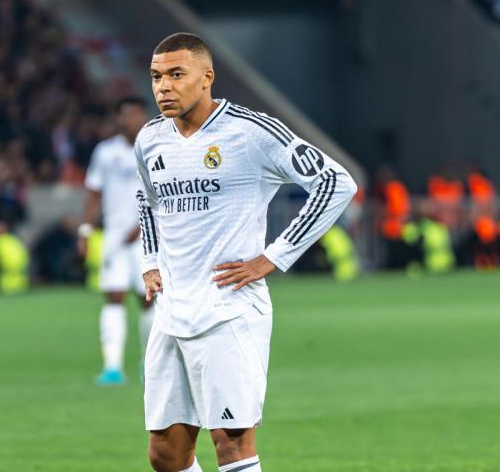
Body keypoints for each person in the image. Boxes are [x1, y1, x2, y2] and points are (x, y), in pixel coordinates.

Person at [135, 33, 357, 472]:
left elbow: (336, 183)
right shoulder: (150, 138)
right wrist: (150, 261)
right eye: (157, 77)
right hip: (173, 310)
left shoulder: (251, 132)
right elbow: (147, 199)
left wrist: (275, 256)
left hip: (230, 310)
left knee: (232, 444)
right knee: (166, 454)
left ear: (207, 77)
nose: (164, 87)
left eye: (177, 74)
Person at [79, 96, 155, 386]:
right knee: (113, 296)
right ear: (119, 119)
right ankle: (112, 367)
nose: (132, 120)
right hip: (114, 237)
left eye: (136, 114)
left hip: (148, 237)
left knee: (148, 299)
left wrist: (143, 223)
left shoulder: (155, 147)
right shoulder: (105, 151)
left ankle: (150, 363)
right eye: (127, 115)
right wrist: (85, 231)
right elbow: (93, 193)